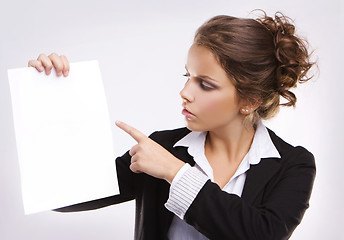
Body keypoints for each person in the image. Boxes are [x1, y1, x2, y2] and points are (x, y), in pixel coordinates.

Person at [28, 10, 316, 240]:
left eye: (205, 84)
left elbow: (261, 233)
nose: (185, 92)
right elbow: (63, 195)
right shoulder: (162, 147)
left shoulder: (293, 164)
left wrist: (175, 173)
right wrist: (54, 98)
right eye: (188, 76)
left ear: (250, 100)